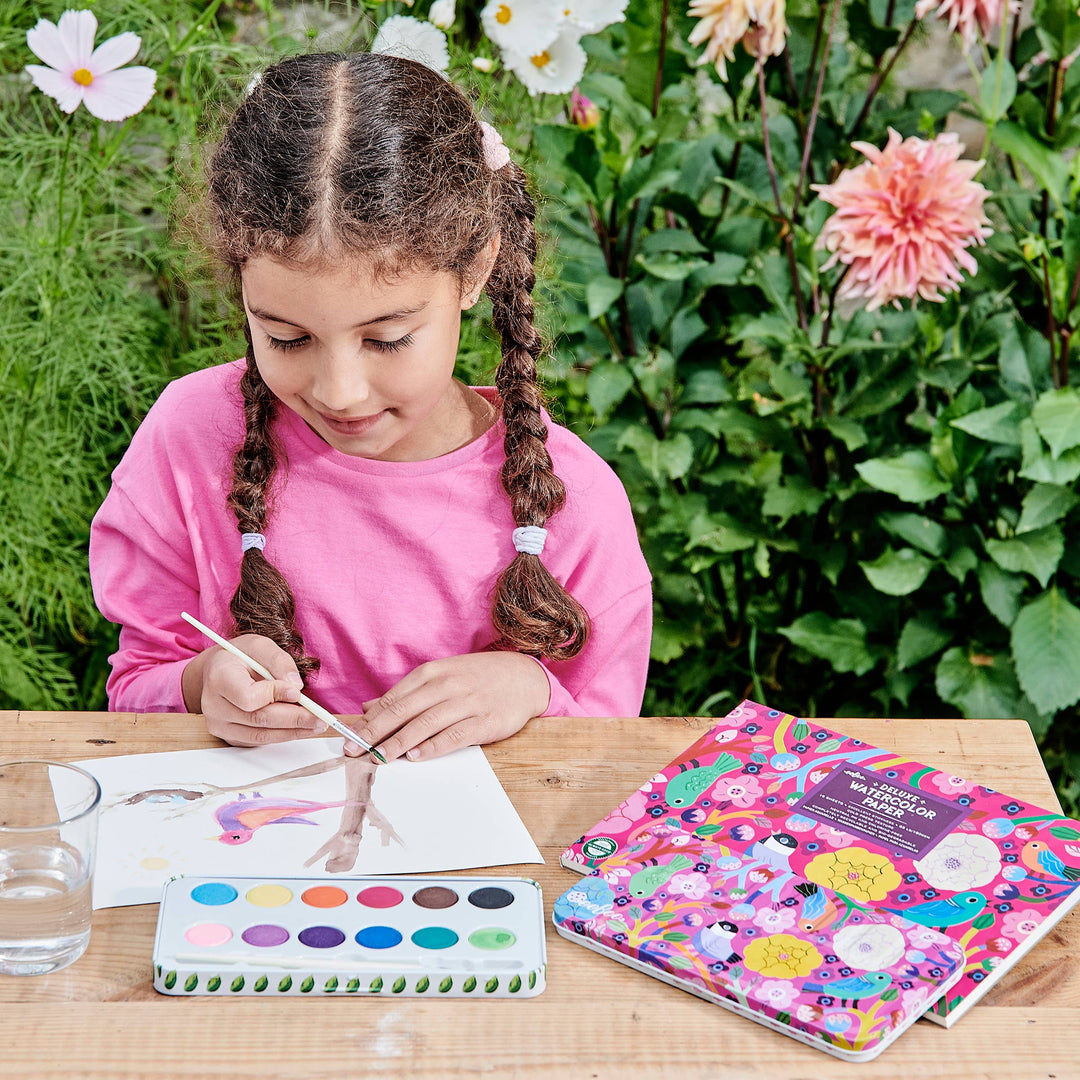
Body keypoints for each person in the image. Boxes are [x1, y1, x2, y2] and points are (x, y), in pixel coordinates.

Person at [89, 51, 652, 764]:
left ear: (474, 271)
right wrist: (204, 682)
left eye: (387, 339)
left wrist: (531, 687)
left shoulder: (575, 505)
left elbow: (610, 759)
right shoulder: (189, 438)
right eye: (287, 337)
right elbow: (136, 687)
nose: (339, 391)